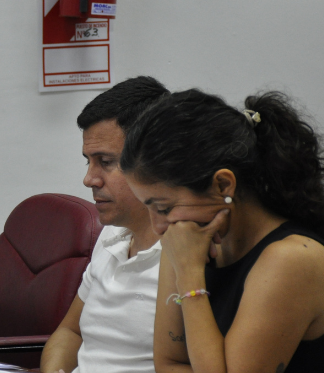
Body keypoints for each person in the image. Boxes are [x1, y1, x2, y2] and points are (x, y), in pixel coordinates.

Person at [120, 89, 324, 373]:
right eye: (148, 209)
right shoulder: (183, 240)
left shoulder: (292, 259)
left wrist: (190, 276)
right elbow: (169, 364)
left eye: (164, 208)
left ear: (223, 185)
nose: (159, 227)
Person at [41, 76, 169, 373]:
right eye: (88, 161)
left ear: (156, 159)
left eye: (106, 162)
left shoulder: (189, 250)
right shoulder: (112, 233)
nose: (89, 179)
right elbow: (70, 332)